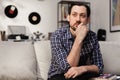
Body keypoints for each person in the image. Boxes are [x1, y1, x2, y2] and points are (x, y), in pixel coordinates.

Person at [48, 2, 104, 80]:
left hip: (80, 74)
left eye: (82, 16)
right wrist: (79, 38)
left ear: (88, 20)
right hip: (58, 75)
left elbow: (99, 67)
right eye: (74, 15)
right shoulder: (57, 35)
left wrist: (82, 69)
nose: (78, 19)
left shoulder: (92, 36)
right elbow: (67, 68)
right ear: (68, 17)